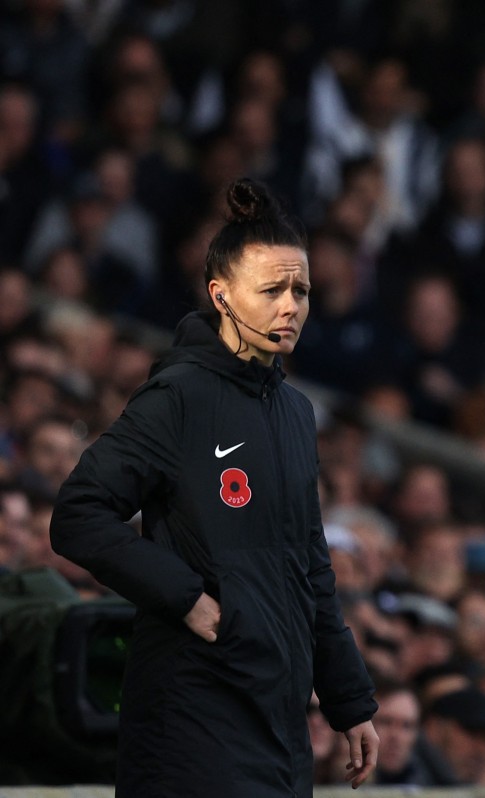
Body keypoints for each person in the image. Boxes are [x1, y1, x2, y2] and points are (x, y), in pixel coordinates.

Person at [49, 178, 379, 797]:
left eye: (301, 291)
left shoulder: (296, 413)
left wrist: (349, 698)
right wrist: (187, 600)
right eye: (273, 290)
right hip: (190, 717)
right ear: (221, 295)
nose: (291, 306)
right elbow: (78, 514)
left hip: (277, 724)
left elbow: (311, 564)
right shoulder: (179, 397)